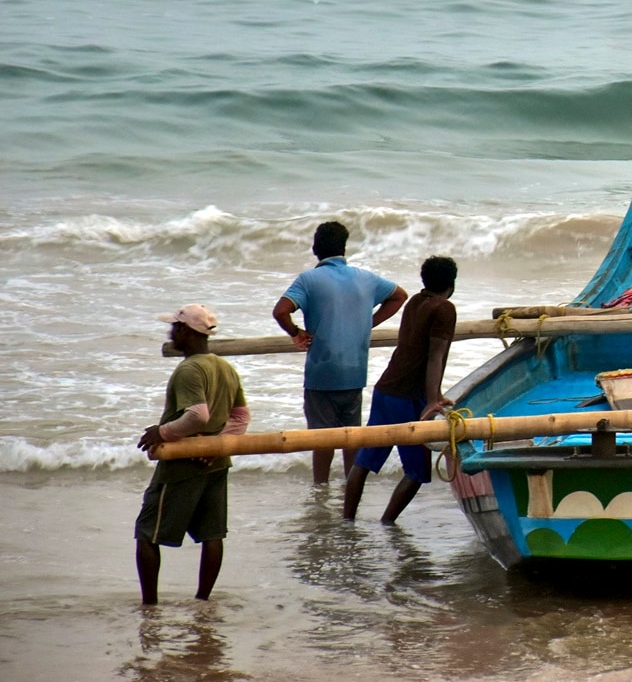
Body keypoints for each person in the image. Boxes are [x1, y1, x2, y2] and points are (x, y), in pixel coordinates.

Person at [273, 221, 406, 484]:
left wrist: (296, 333)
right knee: (351, 437)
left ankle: (320, 492)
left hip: (322, 373)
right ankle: (351, 490)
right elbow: (399, 296)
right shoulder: (366, 278)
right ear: (344, 249)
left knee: (321, 441)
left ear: (315, 249)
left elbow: (280, 311)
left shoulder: (308, 280)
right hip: (355, 372)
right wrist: (369, 322)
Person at [135, 304, 251, 605]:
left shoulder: (188, 369)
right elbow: (241, 418)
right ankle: (202, 602)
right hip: (216, 463)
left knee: (148, 533)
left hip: (181, 464)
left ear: (187, 331)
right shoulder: (225, 367)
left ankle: (149, 606)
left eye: (175, 327)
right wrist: (215, 447)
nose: (170, 331)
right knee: (212, 534)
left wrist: (161, 433)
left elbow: (198, 416)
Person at [344, 255, 458, 525]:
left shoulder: (415, 302)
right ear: (451, 283)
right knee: (417, 471)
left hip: (386, 390)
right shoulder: (445, 309)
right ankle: (387, 523)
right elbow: (434, 356)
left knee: (365, 461)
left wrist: (435, 394)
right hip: (408, 398)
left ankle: (347, 521)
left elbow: (417, 352)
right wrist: (432, 401)